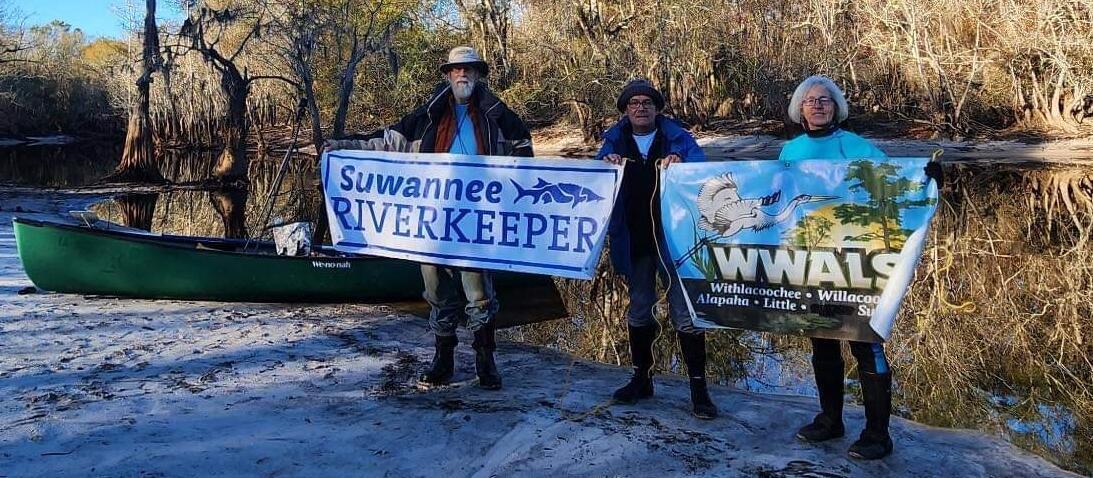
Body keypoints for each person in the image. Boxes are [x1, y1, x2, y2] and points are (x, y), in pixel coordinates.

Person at [325, 46, 534, 390]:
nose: (462, 75)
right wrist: (344, 147)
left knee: (478, 292)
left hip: (476, 219)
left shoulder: (499, 116)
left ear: (479, 75)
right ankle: (443, 359)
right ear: (448, 76)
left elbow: (524, 156)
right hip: (431, 219)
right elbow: (387, 141)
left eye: (468, 69)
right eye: (455, 70)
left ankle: (485, 361)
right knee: (436, 289)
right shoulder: (428, 116)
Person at [777, 74, 946, 460]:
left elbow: (894, 185)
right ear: (800, 109)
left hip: (857, 259)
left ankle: (877, 435)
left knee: (865, 342)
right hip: (810, 258)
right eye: (811, 100)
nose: (818, 105)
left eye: (825, 100)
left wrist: (927, 178)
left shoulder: (856, 145)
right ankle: (830, 420)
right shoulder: (790, 152)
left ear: (836, 107)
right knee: (821, 339)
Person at [597, 79, 718, 419]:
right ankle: (641, 378)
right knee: (638, 309)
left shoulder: (679, 138)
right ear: (625, 109)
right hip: (633, 239)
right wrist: (606, 163)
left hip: (677, 240)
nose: (640, 107)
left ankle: (699, 390)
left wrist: (683, 163)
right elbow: (594, 184)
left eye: (647, 102)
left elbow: (703, 171)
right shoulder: (612, 141)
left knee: (685, 312)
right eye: (633, 103)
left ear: (657, 108)